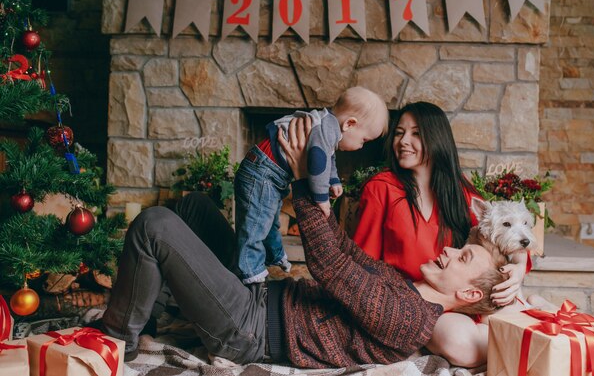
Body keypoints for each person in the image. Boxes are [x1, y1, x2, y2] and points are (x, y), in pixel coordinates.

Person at [99, 117, 507, 368]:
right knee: (194, 206)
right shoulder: (402, 286)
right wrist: (323, 209)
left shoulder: (410, 320)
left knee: (154, 224)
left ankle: (116, 341)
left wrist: (299, 177)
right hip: (259, 294)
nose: (450, 249)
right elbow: (346, 253)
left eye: (463, 255)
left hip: (250, 329)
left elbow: (329, 265)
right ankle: (144, 315)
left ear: (469, 291)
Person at [351, 102, 530, 367]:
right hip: (412, 306)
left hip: (463, 300)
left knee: (521, 316)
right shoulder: (381, 188)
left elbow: (508, 241)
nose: (403, 141)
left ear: (436, 138)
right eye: (399, 133)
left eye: (415, 134)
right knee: (461, 343)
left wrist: (518, 270)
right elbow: (361, 262)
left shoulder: (463, 194)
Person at [235, 86, 389, 284]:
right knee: (255, 225)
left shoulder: (329, 127)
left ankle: (272, 256)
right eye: (364, 140)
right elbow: (317, 163)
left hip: (268, 172)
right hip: (262, 172)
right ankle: (250, 277)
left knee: (269, 220)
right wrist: (321, 199)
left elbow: (328, 158)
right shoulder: (326, 129)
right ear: (350, 124)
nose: (362, 146)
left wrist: (333, 180)